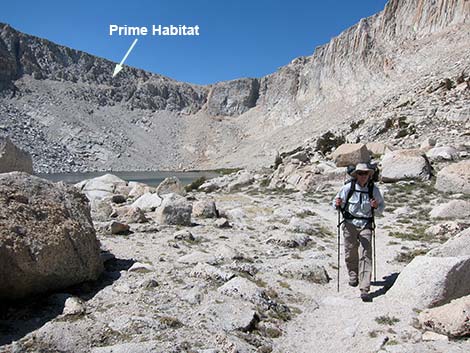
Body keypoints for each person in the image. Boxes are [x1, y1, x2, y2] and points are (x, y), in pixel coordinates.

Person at [333, 163, 385, 302]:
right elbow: (336, 203)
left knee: (366, 254)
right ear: (356, 174)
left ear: (369, 175)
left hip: (366, 224)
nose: (363, 176)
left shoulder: (373, 190)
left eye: (365, 173)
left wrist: (376, 207)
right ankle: (353, 274)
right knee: (350, 251)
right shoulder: (347, 188)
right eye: (360, 173)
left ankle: (365, 288)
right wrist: (338, 204)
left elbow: (381, 207)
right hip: (350, 224)